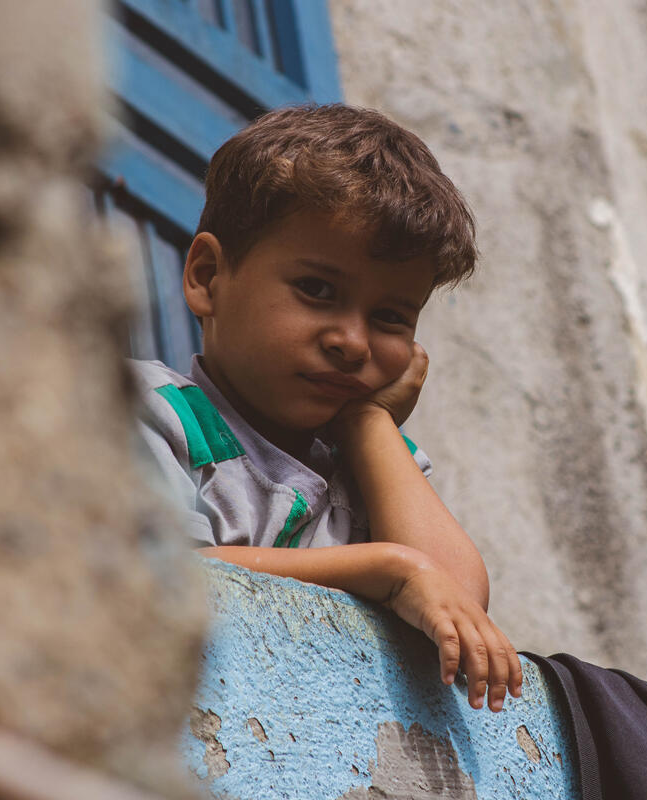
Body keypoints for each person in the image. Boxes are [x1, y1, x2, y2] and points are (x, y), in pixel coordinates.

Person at [131, 103, 521, 714]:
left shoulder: (372, 468)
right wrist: (389, 572)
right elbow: (165, 574)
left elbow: (457, 596)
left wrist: (369, 425)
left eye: (391, 316)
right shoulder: (149, 412)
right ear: (207, 277)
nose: (353, 342)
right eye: (317, 290)